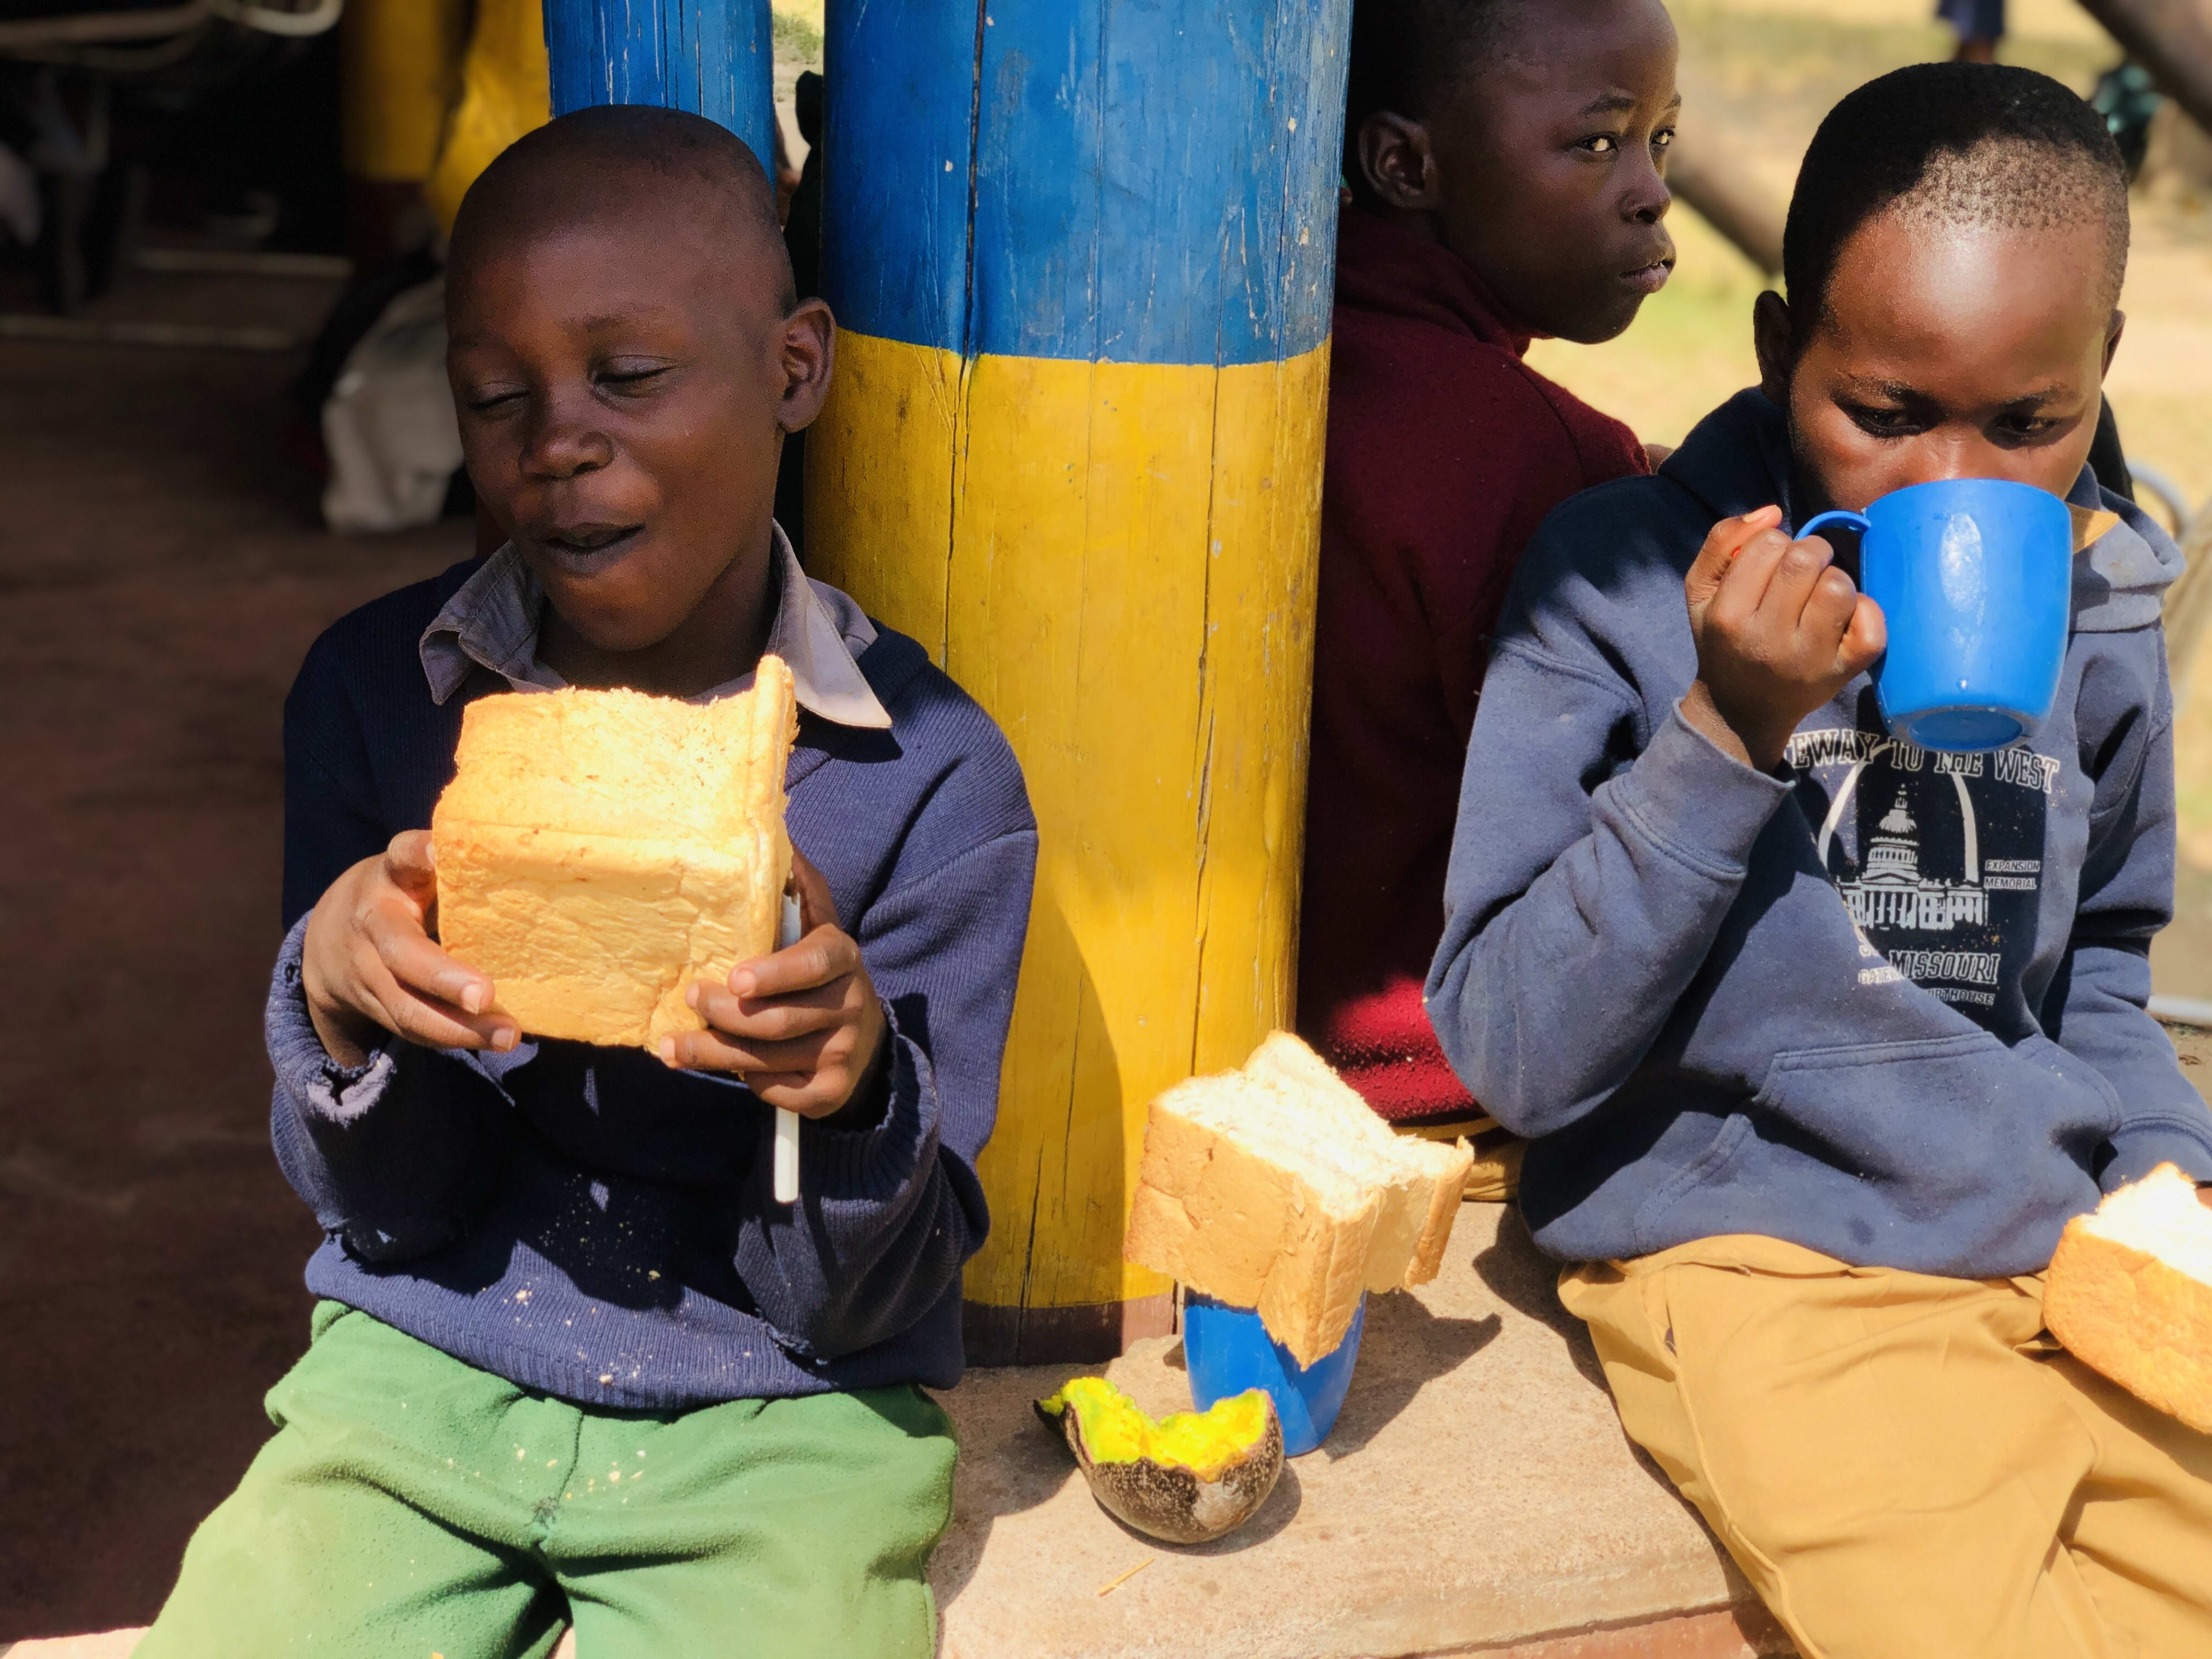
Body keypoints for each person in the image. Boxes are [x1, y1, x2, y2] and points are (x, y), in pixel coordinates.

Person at [139, 105, 1036, 1659]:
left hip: (786, 1423)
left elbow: (857, 1309)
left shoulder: (935, 786)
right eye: (498, 399)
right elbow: (392, 1219)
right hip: (415, 1372)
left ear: (793, 368)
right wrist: (343, 1012)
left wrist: (847, 1088)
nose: (555, 439)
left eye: (627, 376)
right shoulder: (378, 702)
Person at [1428, 62, 2212, 1653]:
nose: (1956, 488)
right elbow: (1512, 1044)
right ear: (1785, 351)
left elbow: (2106, 970)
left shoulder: (2103, 606)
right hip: (1770, 1269)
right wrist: (1727, 731)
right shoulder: (1621, 587)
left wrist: (2167, 1179)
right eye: (1886, 416)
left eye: (2031, 425)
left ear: (2101, 376)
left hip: (2057, 1242)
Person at [1297, 0, 1677, 1128]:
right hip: (1423, 1073)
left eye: (1664, 140)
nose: (1651, 189)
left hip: (1234, 1037)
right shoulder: (1543, 458)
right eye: (1597, 142)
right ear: (1406, 163)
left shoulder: (1258, 351)